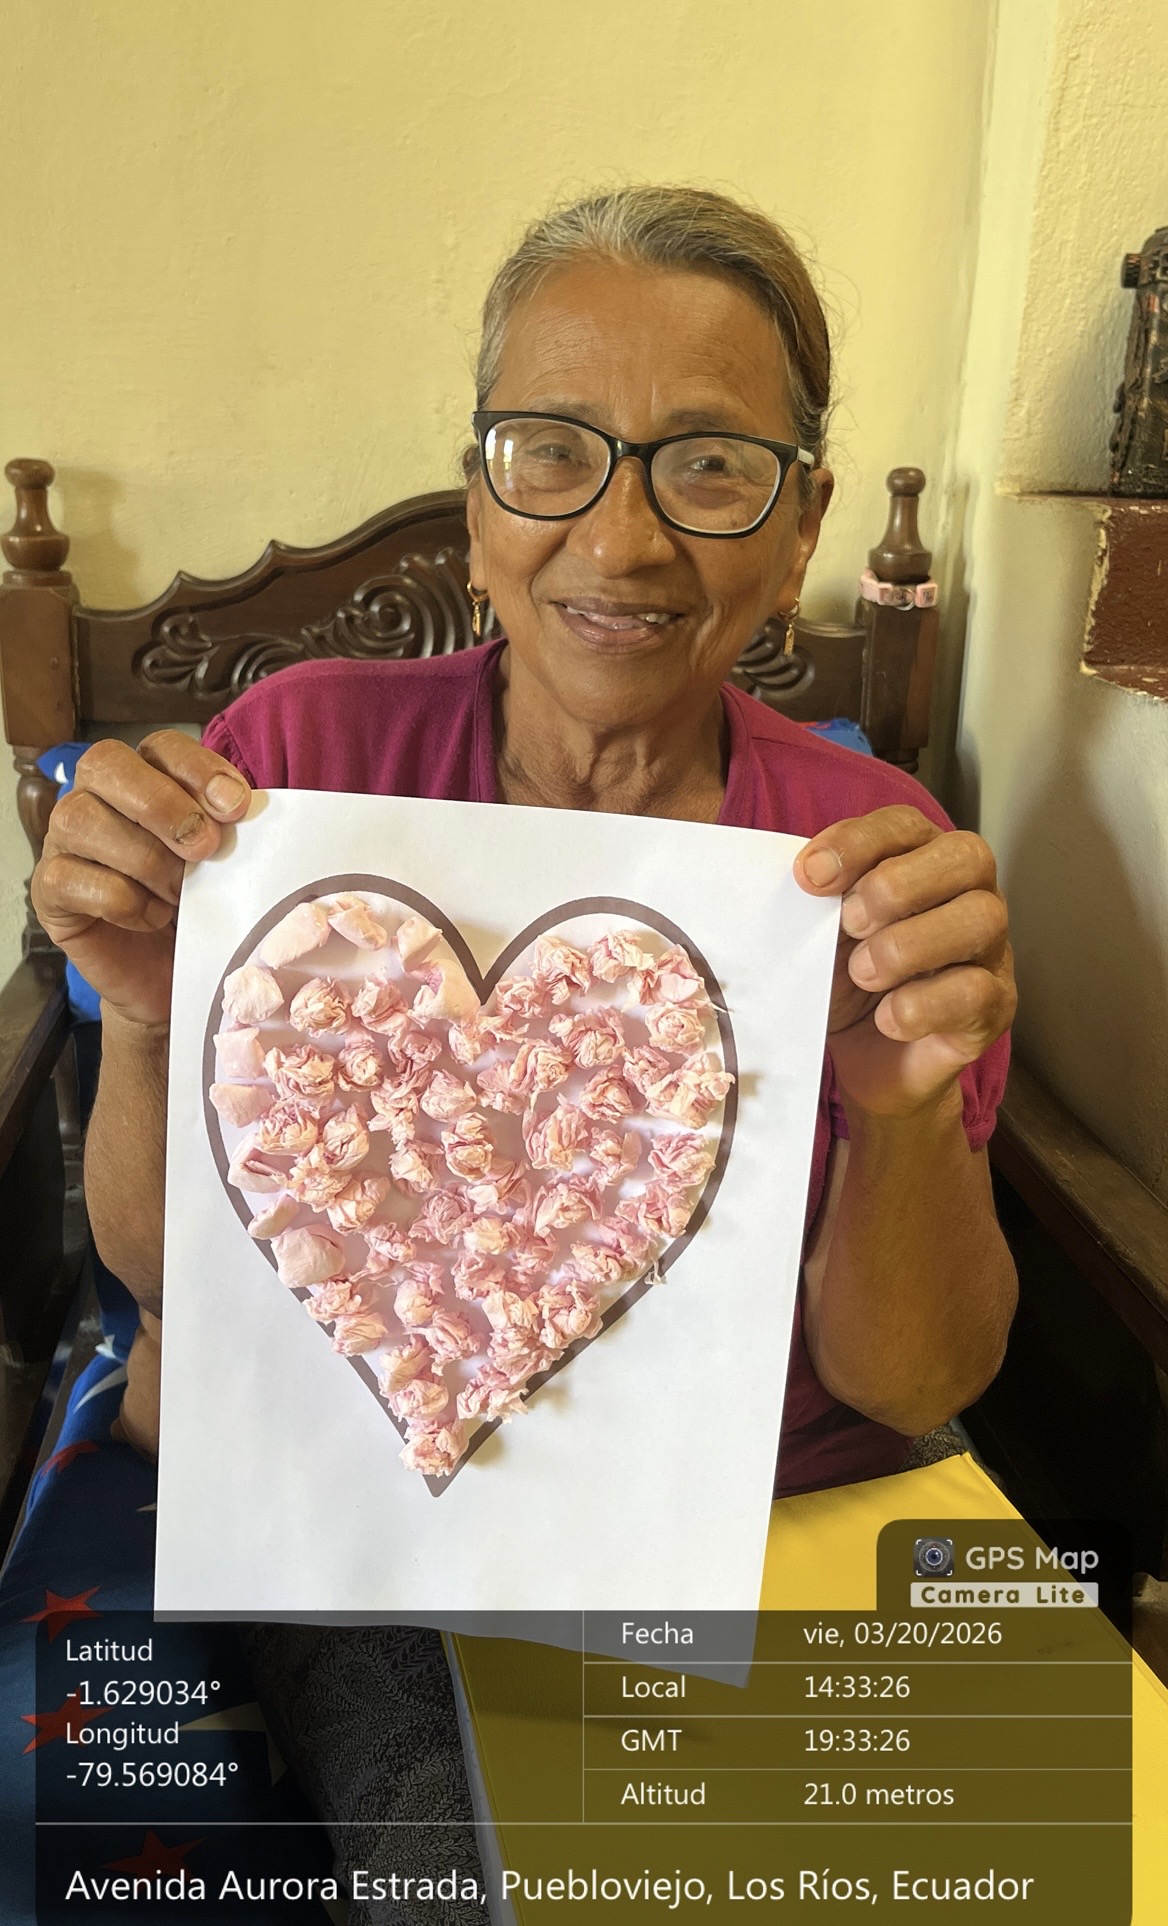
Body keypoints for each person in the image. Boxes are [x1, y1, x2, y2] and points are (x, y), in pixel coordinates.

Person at [32, 185, 1017, 1492]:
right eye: (553, 451)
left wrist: (901, 1114)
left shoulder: (868, 865)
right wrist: (148, 1022)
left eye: (711, 464)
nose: (621, 540)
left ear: (800, 534)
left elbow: (912, 1386)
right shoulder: (290, 772)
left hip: (751, 1511)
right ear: (480, 508)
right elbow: (172, 1279)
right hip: (351, 1496)